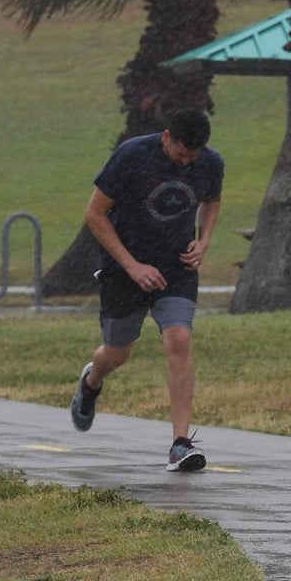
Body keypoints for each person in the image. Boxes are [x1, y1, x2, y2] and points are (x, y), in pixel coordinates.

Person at [69, 107, 224, 472]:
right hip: (124, 267)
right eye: (181, 154)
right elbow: (95, 214)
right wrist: (132, 265)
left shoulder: (210, 163)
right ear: (167, 137)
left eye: (194, 157)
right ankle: (92, 381)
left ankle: (180, 444)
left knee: (179, 339)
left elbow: (212, 202)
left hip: (176, 266)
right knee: (118, 351)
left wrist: (204, 240)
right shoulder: (132, 155)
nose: (187, 163)